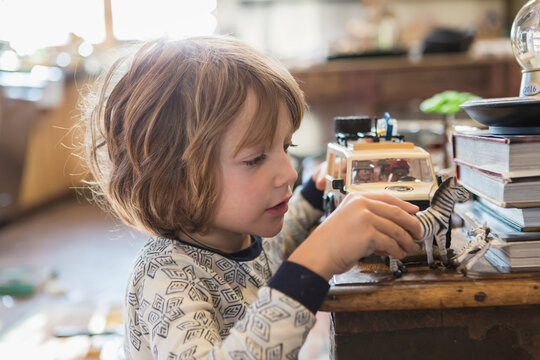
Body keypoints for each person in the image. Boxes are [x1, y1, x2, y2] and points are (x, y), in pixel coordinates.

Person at [80, 36, 421, 360]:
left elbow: (276, 248)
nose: (288, 172)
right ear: (175, 178)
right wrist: (321, 257)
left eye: (286, 147)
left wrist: (314, 194)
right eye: (255, 159)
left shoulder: (239, 236)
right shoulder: (166, 276)